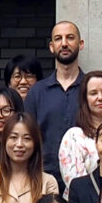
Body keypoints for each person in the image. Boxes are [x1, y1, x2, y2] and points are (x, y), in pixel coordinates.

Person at [25, 20, 89, 176]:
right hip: (43, 176)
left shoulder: (92, 89)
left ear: (81, 44)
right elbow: (27, 135)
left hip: (85, 176)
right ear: (51, 46)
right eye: (59, 38)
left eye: (70, 37)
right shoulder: (36, 92)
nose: (64, 43)